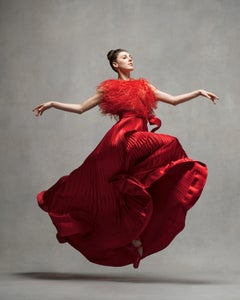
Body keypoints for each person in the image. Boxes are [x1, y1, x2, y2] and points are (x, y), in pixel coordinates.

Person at [33, 49, 218, 268]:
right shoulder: (109, 88)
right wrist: (54, 103)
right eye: (124, 57)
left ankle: (131, 233)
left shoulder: (143, 86)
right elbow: (81, 108)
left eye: (130, 56)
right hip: (121, 138)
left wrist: (198, 92)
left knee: (159, 157)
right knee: (166, 145)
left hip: (138, 136)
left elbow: (174, 100)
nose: (130, 58)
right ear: (114, 65)